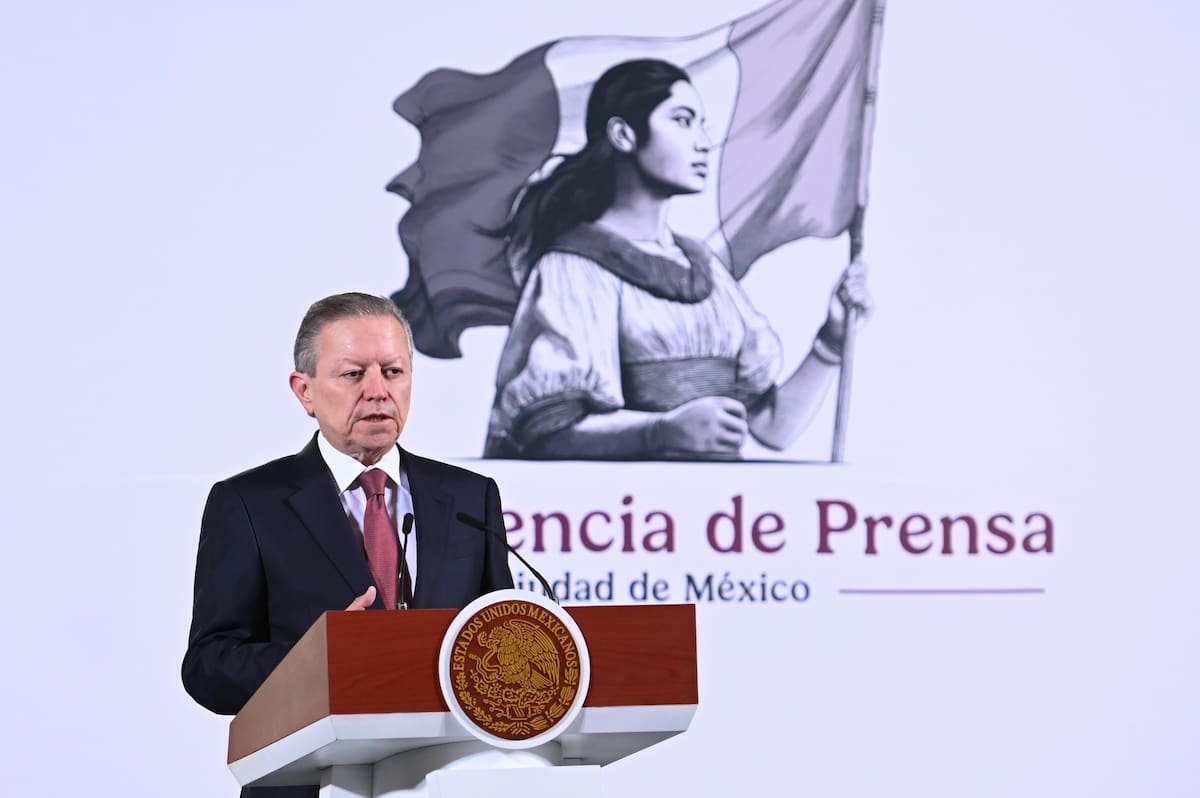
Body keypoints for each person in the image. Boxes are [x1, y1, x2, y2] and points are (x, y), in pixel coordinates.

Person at [182, 292, 514, 798]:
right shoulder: (249, 504)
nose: (378, 392)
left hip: (450, 780)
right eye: (354, 374)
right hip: (306, 781)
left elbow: (498, 637)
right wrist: (321, 659)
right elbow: (209, 668)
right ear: (305, 391)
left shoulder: (470, 497)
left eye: (394, 372)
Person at [484, 59, 873, 460]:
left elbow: (772, 429)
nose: (704, 142)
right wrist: (660, 432)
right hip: (623, 516)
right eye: (683, 121)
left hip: (714, 515)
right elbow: (547, 435)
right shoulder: (573, 269)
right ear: (623, 134)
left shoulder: (705, 269)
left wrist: (832, 340)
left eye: (701, 124)